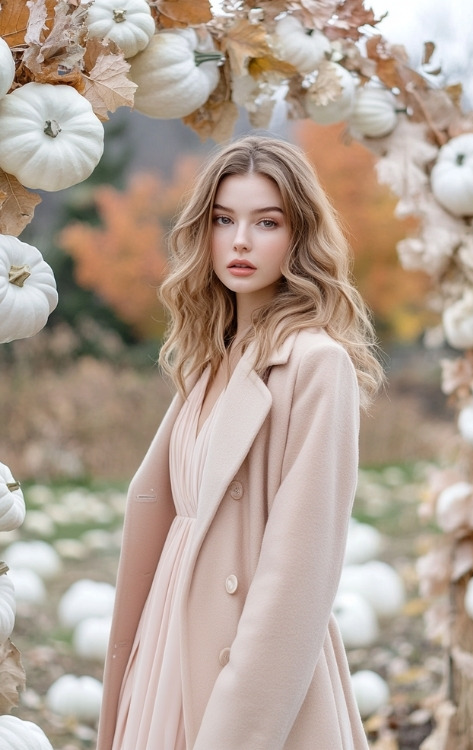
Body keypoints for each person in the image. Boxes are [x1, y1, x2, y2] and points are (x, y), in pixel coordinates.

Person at [96, 134, 384, 750]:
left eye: (267, 222)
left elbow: (298, 574)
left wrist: (239, 724)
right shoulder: (207, 362)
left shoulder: (316, 365)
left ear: (299, 236)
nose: (242, 241)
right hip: (169, 644)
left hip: (248, 664)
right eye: (224, 220)